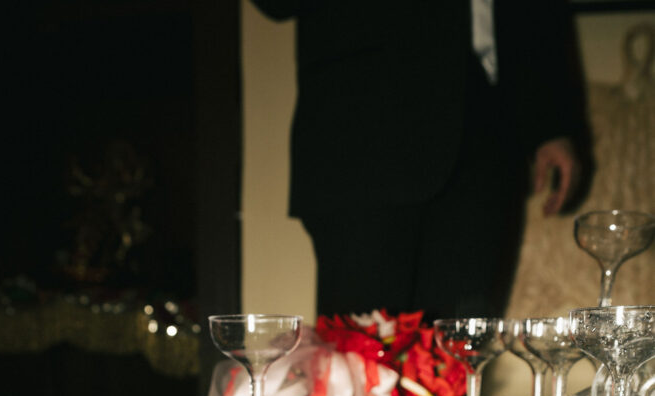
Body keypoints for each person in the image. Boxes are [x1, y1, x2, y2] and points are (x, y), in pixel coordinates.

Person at [249, 0, 590, 320]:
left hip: (484, 114)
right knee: (360, 361)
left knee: (459, 357)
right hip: (362, 123)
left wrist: (550, 119)